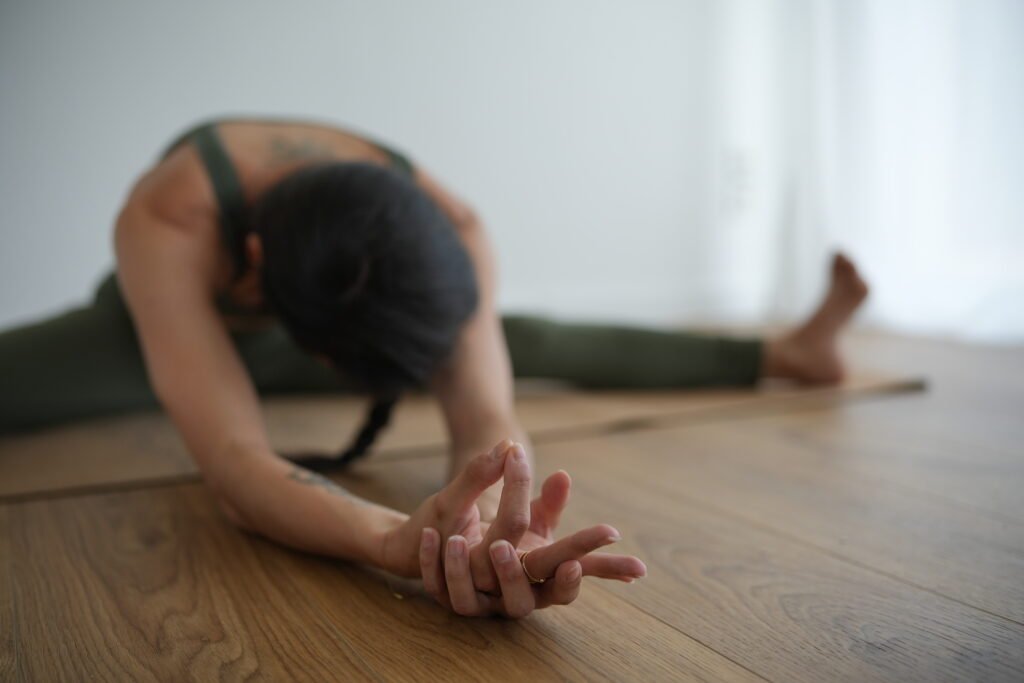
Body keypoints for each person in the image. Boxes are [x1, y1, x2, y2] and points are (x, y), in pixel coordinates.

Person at [0, 117, 868, 617]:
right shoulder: (170, 223)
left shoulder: (447, 229)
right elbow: (234, 464)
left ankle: (789, 351)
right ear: (255, 262)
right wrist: (389, 539)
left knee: (534, 339)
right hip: (161, 328)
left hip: (329, 309)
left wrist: (493, 509)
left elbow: (485, 409)